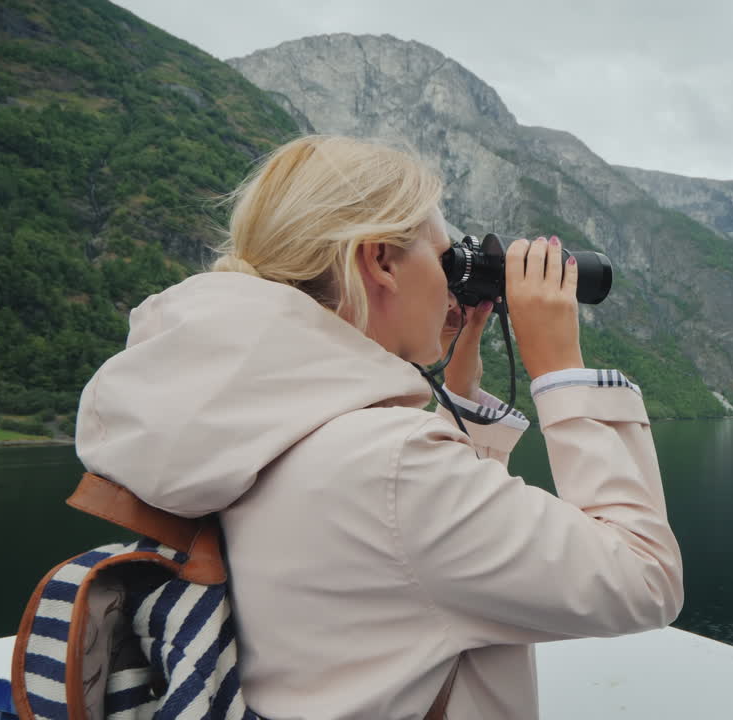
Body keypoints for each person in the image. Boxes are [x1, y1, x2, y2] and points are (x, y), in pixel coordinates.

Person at [73, 135, 684, 719]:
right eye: (446, 258)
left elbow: (418, 551)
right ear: (382, 261)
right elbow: (644, 579)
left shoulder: (246, 423)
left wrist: (459, 378)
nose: (452, 283)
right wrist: (560, 373)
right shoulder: (389, 466)